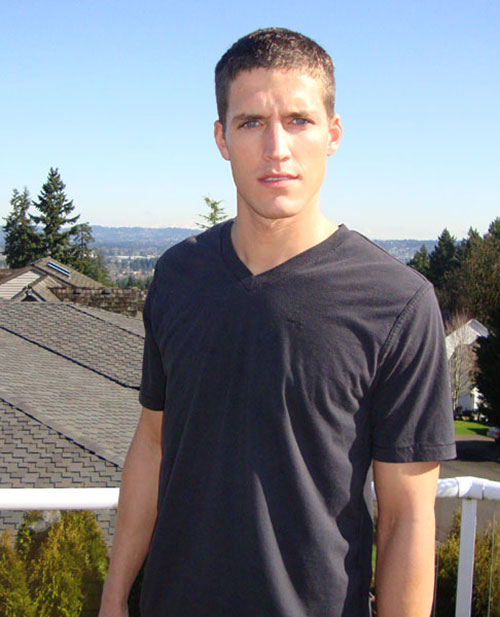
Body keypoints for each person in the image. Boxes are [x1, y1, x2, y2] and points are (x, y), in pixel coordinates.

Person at [99, 27, 456, 617]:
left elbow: (407, 517)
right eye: (250, 123)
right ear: (221, 138)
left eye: (298, 120)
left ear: (332, 134)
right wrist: (114, 597)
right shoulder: (178, 277)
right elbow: (153, 444)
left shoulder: (396, 303)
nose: (276, 148)